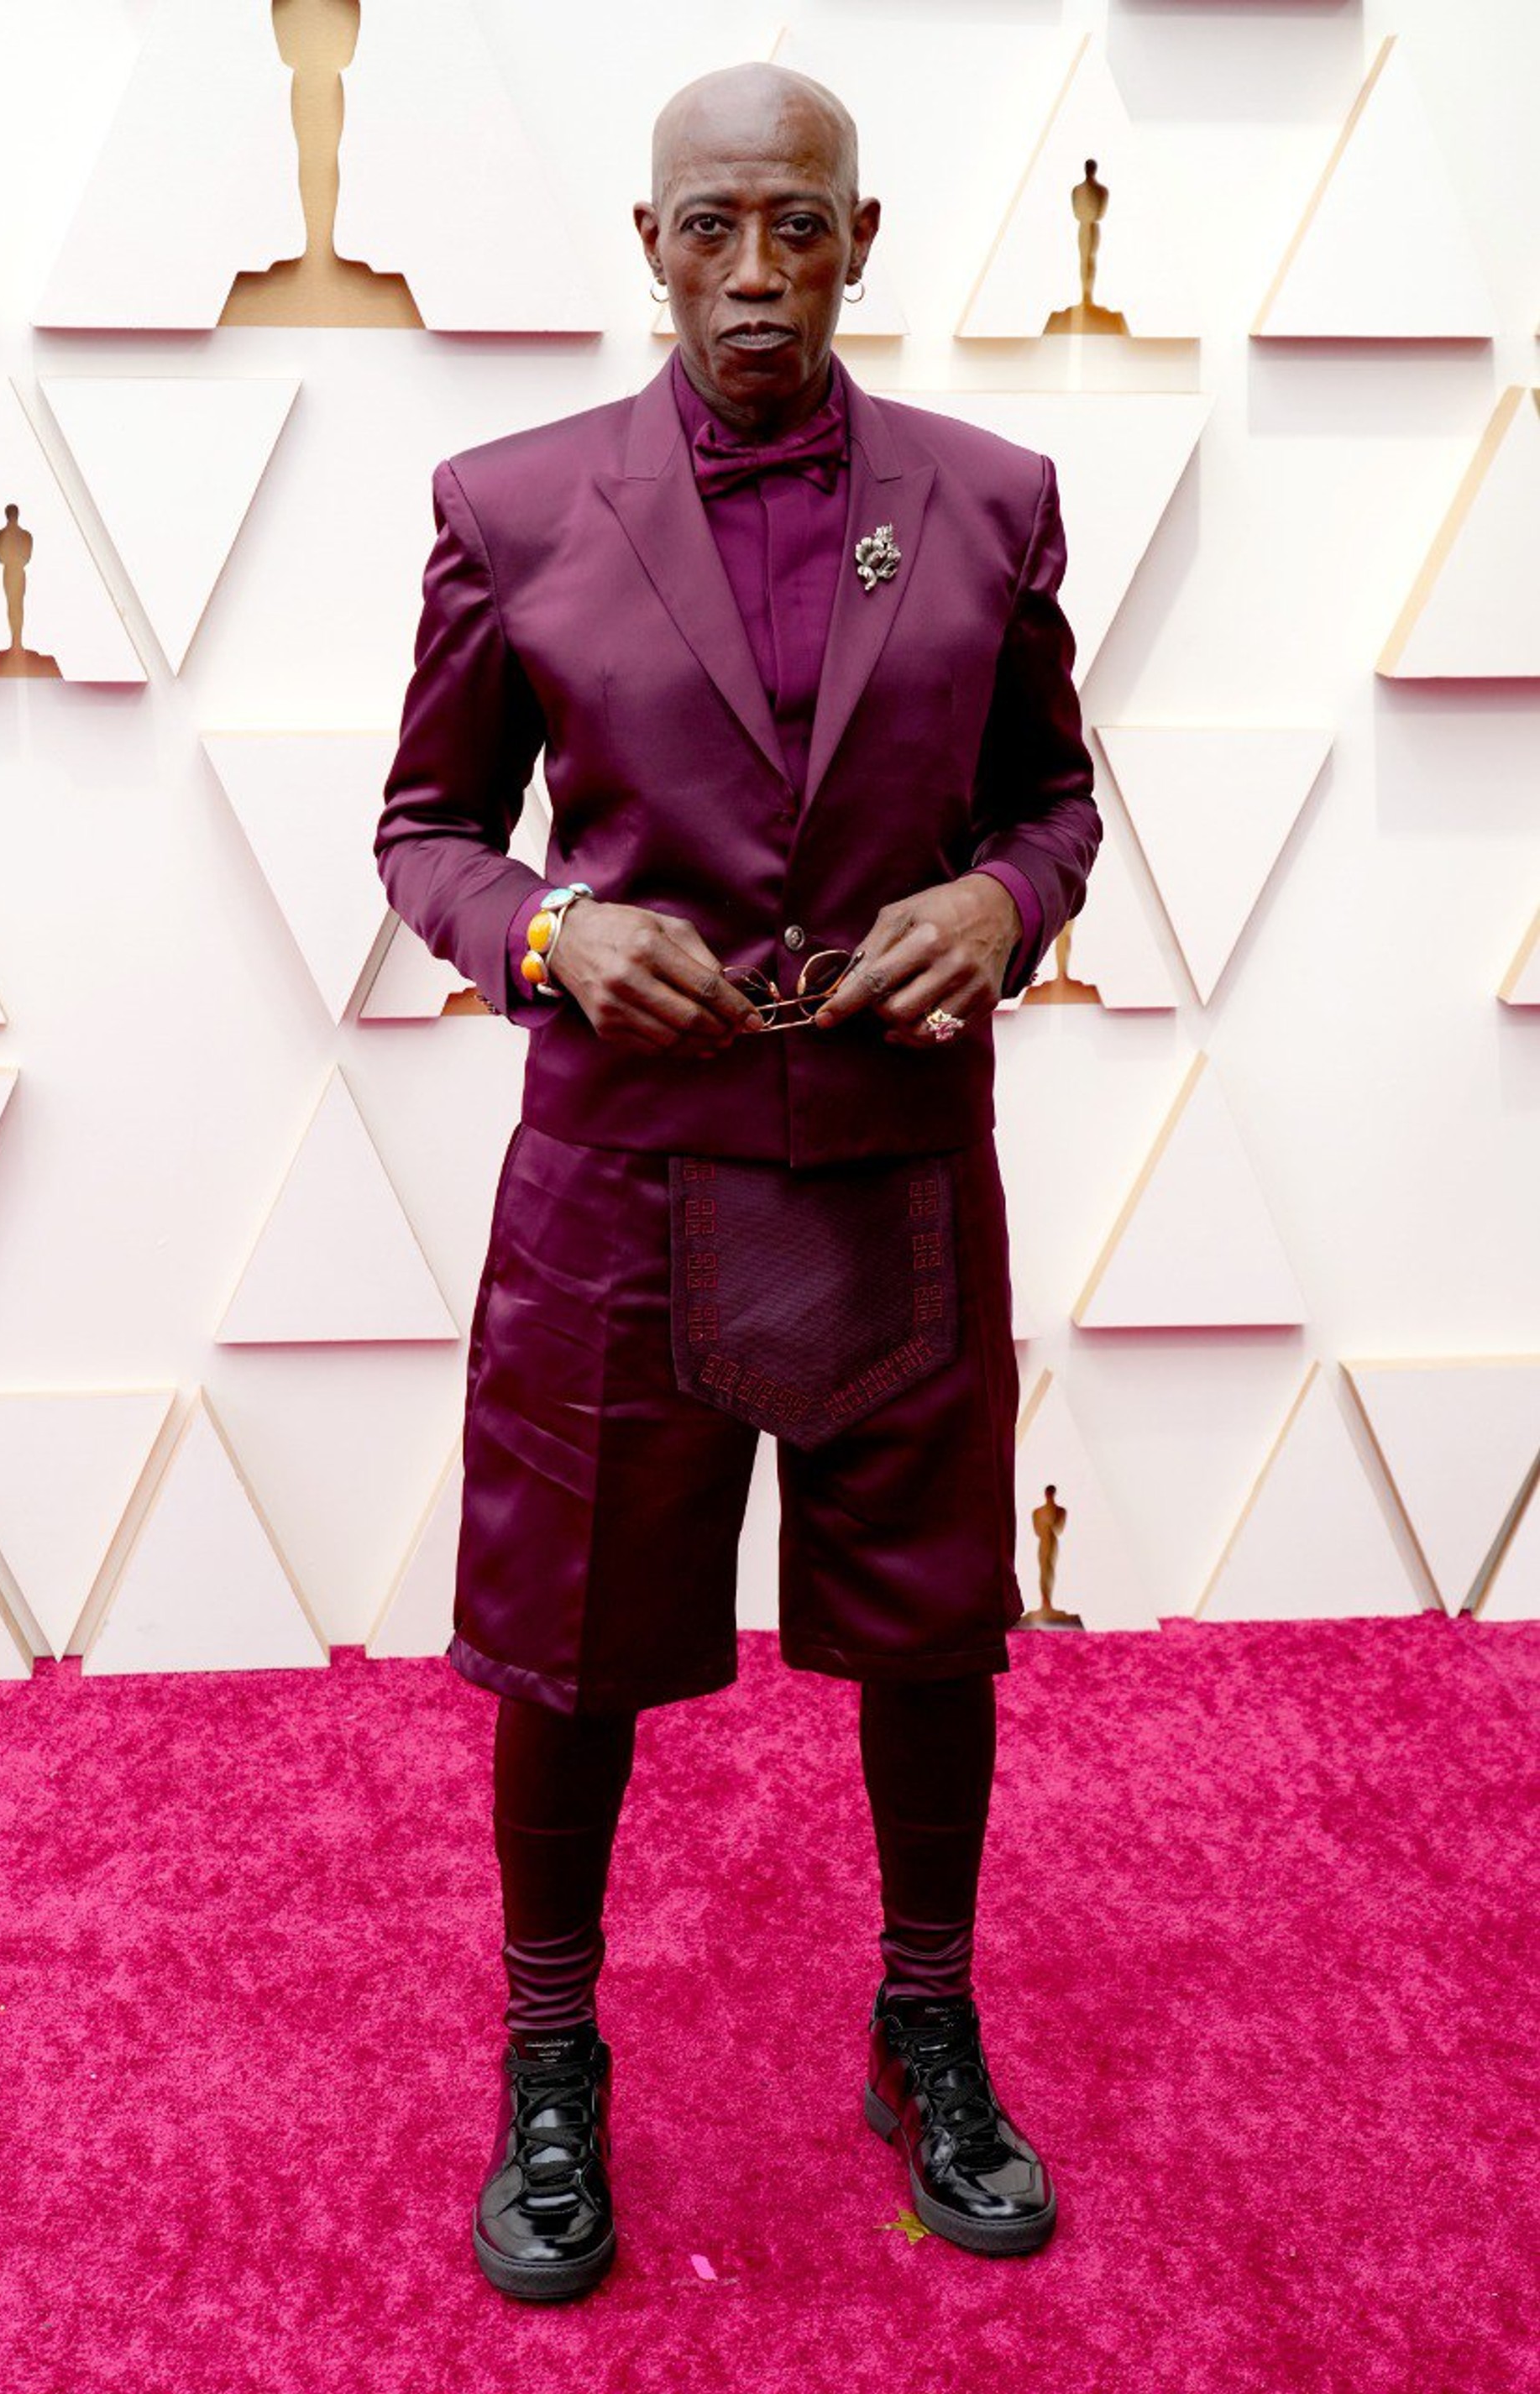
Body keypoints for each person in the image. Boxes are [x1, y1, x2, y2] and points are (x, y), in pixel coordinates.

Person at [375, 59, 1102, 2303]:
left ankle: (924, 2023)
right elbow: (428, 832)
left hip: (896, 1171)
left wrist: (1004, 903)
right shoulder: (513, 507)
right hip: (617, 1186)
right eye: (713, 226)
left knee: (936, 1626)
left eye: (799, 225)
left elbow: (1052, 804)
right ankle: (550, 2055)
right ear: (651, 243)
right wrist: (545, 937)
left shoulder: (990, 502)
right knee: (565, 1645)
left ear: (862, 242)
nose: (756, 271)